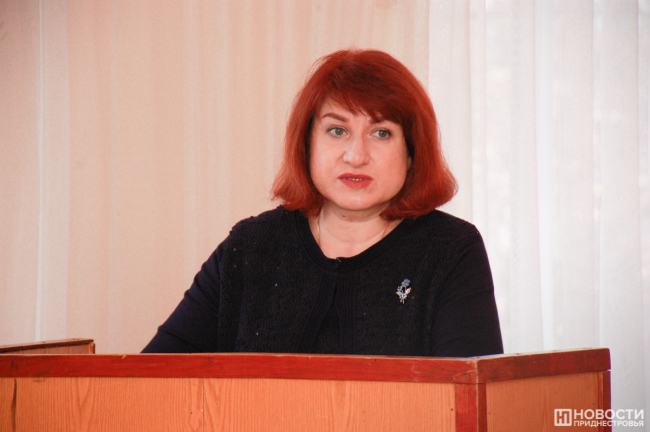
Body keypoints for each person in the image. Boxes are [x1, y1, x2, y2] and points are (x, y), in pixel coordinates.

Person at [142, 49, 503, 357]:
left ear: (411, 153)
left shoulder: (451, 249)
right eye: (337, 130)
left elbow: (469, 398)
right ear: (307, 145)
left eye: (381, 133)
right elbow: (153, 378)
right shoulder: (251, 246)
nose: (356, 155)